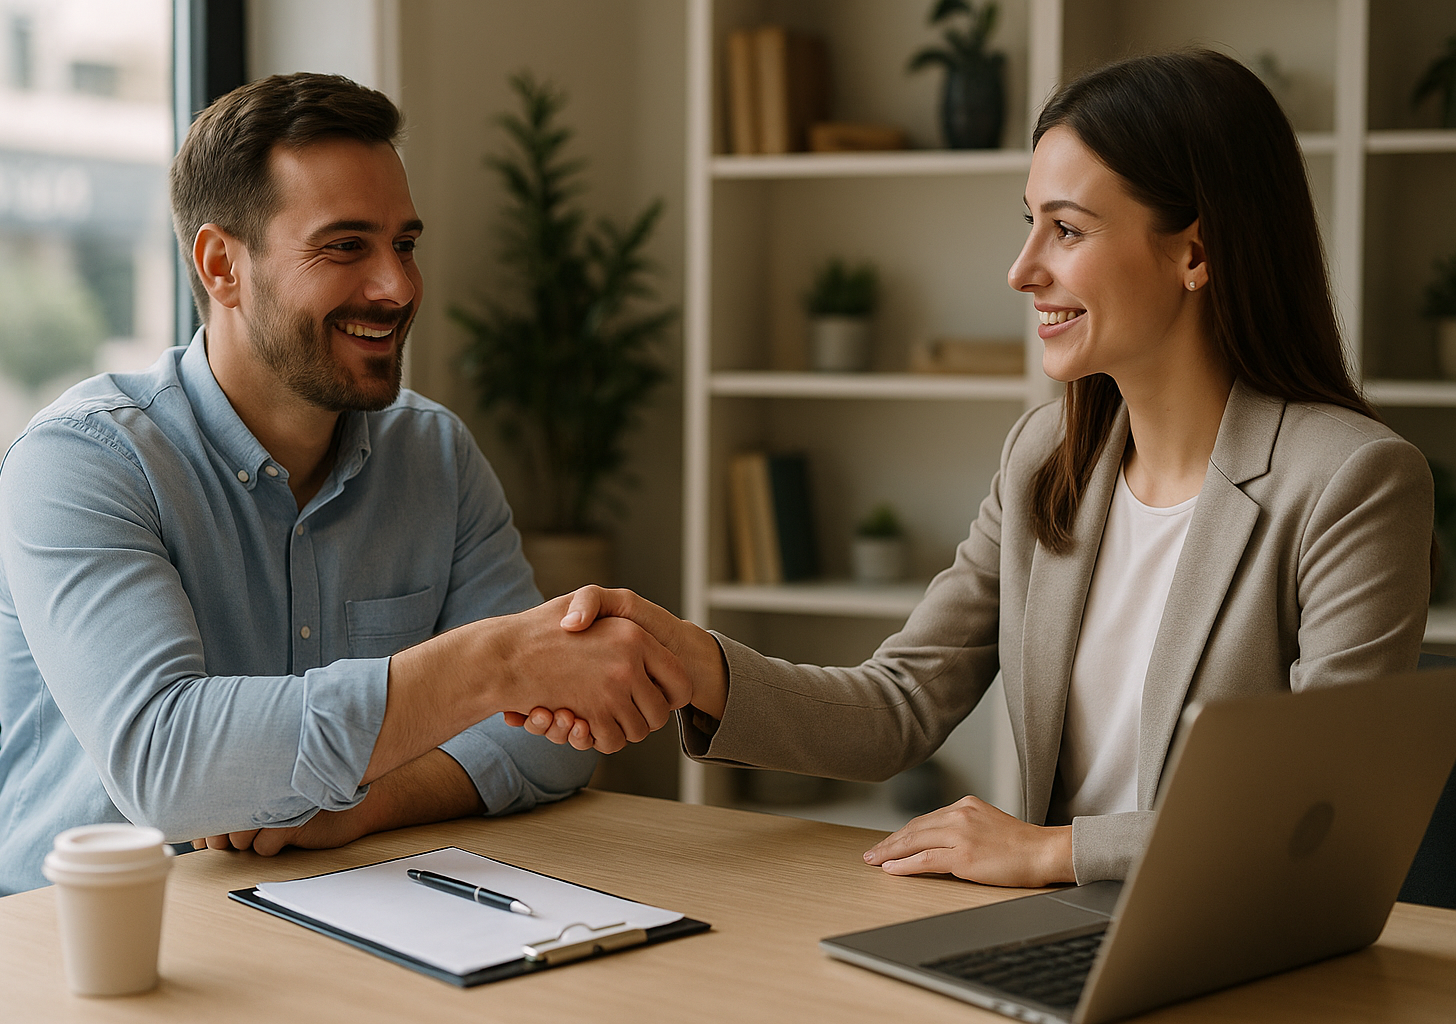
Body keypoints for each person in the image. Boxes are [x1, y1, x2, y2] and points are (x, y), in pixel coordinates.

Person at [515, 50, 1436, 888]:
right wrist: (693, 662)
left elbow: (1318, 812)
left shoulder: (1351, 483)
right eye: (1029, 224)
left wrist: (1050, 850)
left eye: (1067, 230)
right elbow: (900, 705)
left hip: (1227, 941)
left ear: (1195, 250)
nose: (1021, 269)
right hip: (1050, 933)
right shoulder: (1046, 457)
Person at [0, 73, 688, 903]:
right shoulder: (83, 462)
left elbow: (556, 740)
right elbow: (169, 769)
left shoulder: (435, 455)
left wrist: (369, 802)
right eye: (346, 246)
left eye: (405, 244)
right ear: (221, 265)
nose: (399, 286)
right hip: (67, 956)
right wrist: (493, 663)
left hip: (336, 919)